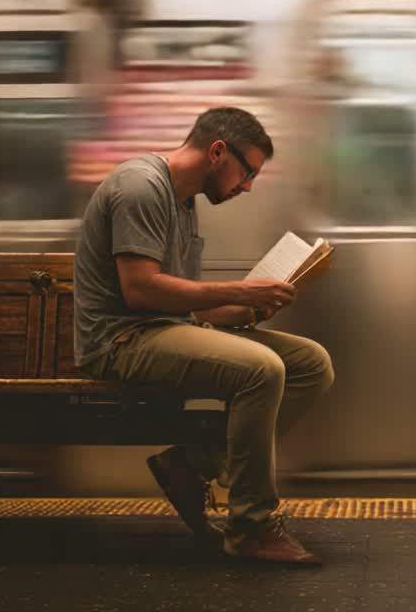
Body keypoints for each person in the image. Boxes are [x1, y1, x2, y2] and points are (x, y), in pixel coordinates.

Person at [73, 106, 334, 564]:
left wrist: (245, 308)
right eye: (247, 171)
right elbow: (139, 290)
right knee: (261, 369)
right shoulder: (141, 187)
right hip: (120, 340)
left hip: (165, 329)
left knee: (311, 364)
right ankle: (251, 527)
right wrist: (238, 288)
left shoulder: (183, 201)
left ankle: (194, 462)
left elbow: (185, 301)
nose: (247, 185)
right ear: (218, 151)